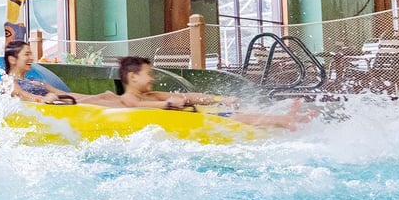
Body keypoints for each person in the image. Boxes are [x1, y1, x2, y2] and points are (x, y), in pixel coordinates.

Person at [117, 56, 317, 130]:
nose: (152, 78)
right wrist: (167, 105)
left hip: (197, 114)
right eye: (148, 74)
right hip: (195, 120)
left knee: (241, 112)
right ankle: (287, 120)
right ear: (133, 77)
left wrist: (220, 98)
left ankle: (286, 119)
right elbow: (135, 107)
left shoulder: (151, 94)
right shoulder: (130, 98)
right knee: (240, 117)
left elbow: (188, 97)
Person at [4, 40, 123, 106]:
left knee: (104, 97)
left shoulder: (37, 82)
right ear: (12, 59)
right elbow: (20, 94)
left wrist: (96, 96)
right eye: (26, 54)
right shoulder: (8, 81)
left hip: (57, 105)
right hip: (48, 109)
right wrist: (42, 99)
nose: (31, 57)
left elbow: (64, 94)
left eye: (31, 53)